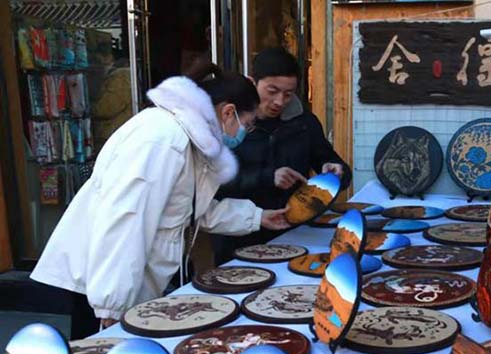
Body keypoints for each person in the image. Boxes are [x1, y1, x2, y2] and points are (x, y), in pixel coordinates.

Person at [30, 63, 290, 334]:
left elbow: (190, 208)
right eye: (246, 125)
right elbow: (125, 221)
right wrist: (112, 306)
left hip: (127, 281)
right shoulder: (163, 139)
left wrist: (258, 217)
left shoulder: (189, 139)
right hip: (102, 283)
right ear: (228, 112)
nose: (243, 134)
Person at [213, 47, 351, 262]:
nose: (279, 101)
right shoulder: (230, 122)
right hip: (238, 237)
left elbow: (335, 165)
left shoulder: (304, 123)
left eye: (288, 94)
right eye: (272, 91)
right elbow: (214, 184)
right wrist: (268, 176)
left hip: (294, 235)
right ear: (252, 83)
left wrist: (335, 173)